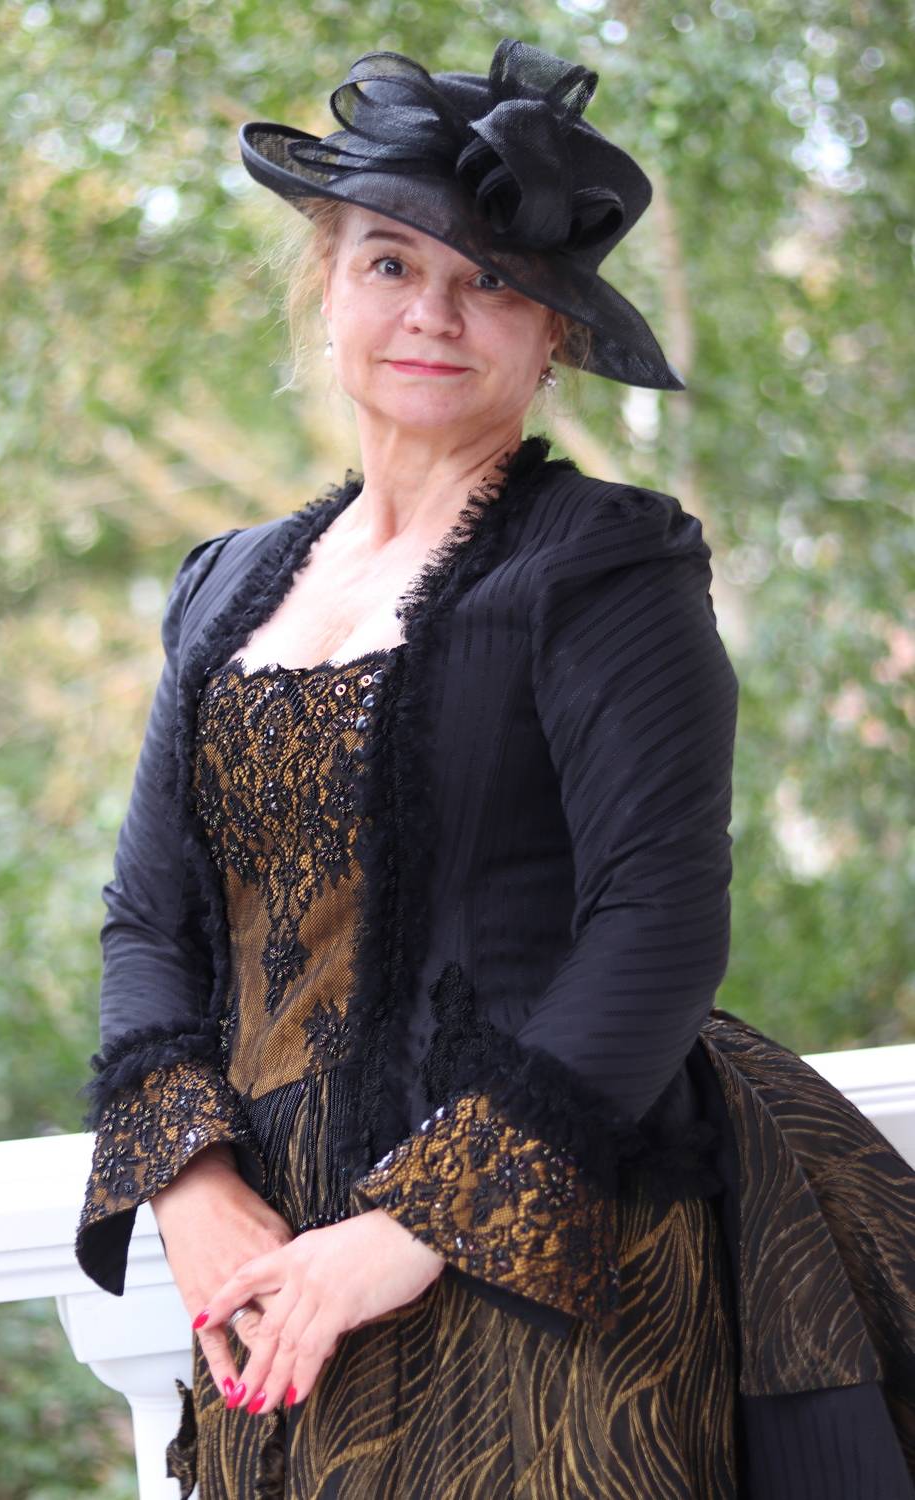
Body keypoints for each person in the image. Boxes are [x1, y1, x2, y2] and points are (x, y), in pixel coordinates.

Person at [74, 38, 915, 1499]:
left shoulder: (608, 565)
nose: (434, 313)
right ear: (327, 287)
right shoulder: (224, 587)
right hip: (275, 1274)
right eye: (391, 265)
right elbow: (152, 921)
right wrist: (194, 1191)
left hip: (549, 1264)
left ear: (553, 339)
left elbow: (659, 926)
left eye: (493, 282)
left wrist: (410, 1233)